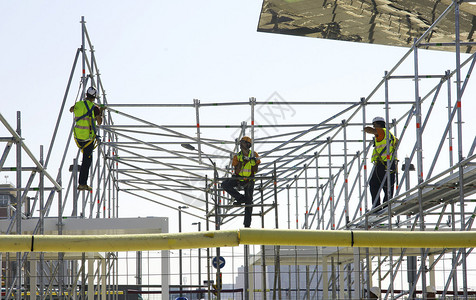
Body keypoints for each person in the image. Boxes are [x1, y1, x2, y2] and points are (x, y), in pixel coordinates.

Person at [221, 136, 261, 228]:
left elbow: (255, 170)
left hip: (249, 179)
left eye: (243, 142)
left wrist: (253, 162)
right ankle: (240, 198)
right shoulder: (237, 156)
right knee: (225, 184)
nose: (240, 144)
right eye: (241, 142)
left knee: (249, 202)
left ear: (248, 144)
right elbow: (237, 171)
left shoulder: (254, 154)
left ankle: (247, 224)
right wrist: (241, 162)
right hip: (239, 178)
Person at [70, 86, 103, 191]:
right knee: (87, 161)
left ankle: (82, 183)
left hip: (78, 136)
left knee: (86, 159)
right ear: (95, 97)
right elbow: (99, 122)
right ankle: (82, 183)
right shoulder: (95, 108)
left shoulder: (78, 104)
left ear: (86, 95)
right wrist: (100, 111)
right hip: (88, 138)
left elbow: (71, 110)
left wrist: (76, 107)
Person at [364, 116, 398, 208]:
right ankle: (387, 205)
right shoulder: (390, 134)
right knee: (388, 186)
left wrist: (366, 128)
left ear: (376, 125)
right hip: (390, 164)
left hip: (382, 165)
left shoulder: (381, 131)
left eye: (374, 125)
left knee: (374, 185)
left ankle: (376, 207)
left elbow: (368, 130)